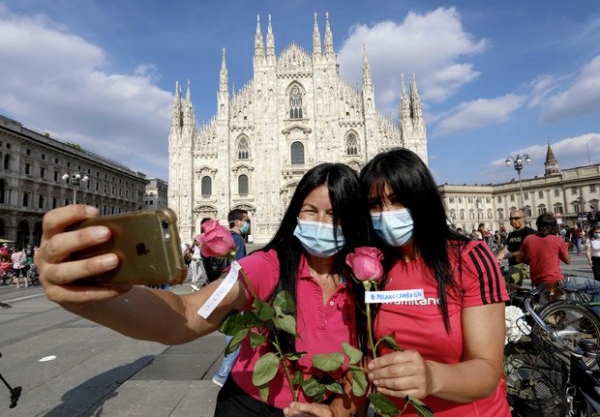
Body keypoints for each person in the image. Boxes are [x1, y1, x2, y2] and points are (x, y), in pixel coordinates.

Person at [34, 162, 371, 417]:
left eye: (336, 214)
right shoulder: (266, 267)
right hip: (252, 408)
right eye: (310, 211)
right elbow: (187, 314)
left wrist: (342, 408)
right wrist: (95, 298)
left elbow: (371, 360)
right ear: (294, 214)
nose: (323, 223)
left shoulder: (369, 276)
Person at [358, 148, 510, 416]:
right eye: (374, 205)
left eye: (397, 200)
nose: (386, 213)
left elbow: (487, 369)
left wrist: (431, 377)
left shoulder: (469, 258)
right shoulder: (373, 267)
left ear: (421, 199)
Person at [518, 213, 600, 313]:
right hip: (556, 281)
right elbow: (568, 261)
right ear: (554, 226)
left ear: (537, 224)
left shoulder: (528, 239)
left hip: (538, 282)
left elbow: (519, 259)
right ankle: (593, 318)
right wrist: (563, 247)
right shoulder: (557, 240)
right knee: (597, 286)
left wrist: (533, 259)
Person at [212, 208, 249, 387]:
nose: (247, 224)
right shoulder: (237, 240)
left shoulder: (224, 238)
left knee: (233, 330)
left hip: (222, 287)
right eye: (245, 220)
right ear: (238, 222)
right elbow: (240, 267)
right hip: (234, 290)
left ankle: (229, 372)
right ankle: (223, 374)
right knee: (236, 333)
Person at [496, 209, 536, 289]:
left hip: (524, 266)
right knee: (511, 291)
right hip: (513, 266)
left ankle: (528, 295)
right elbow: (505, 249)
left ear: (523, 218)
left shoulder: (530, 233)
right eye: (511, 219)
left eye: (516, 218)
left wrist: (514, 254)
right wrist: (496, 259)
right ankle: (521, 296)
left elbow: (531, 250)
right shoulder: (511, 234)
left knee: (502, 281)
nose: (513, 221)